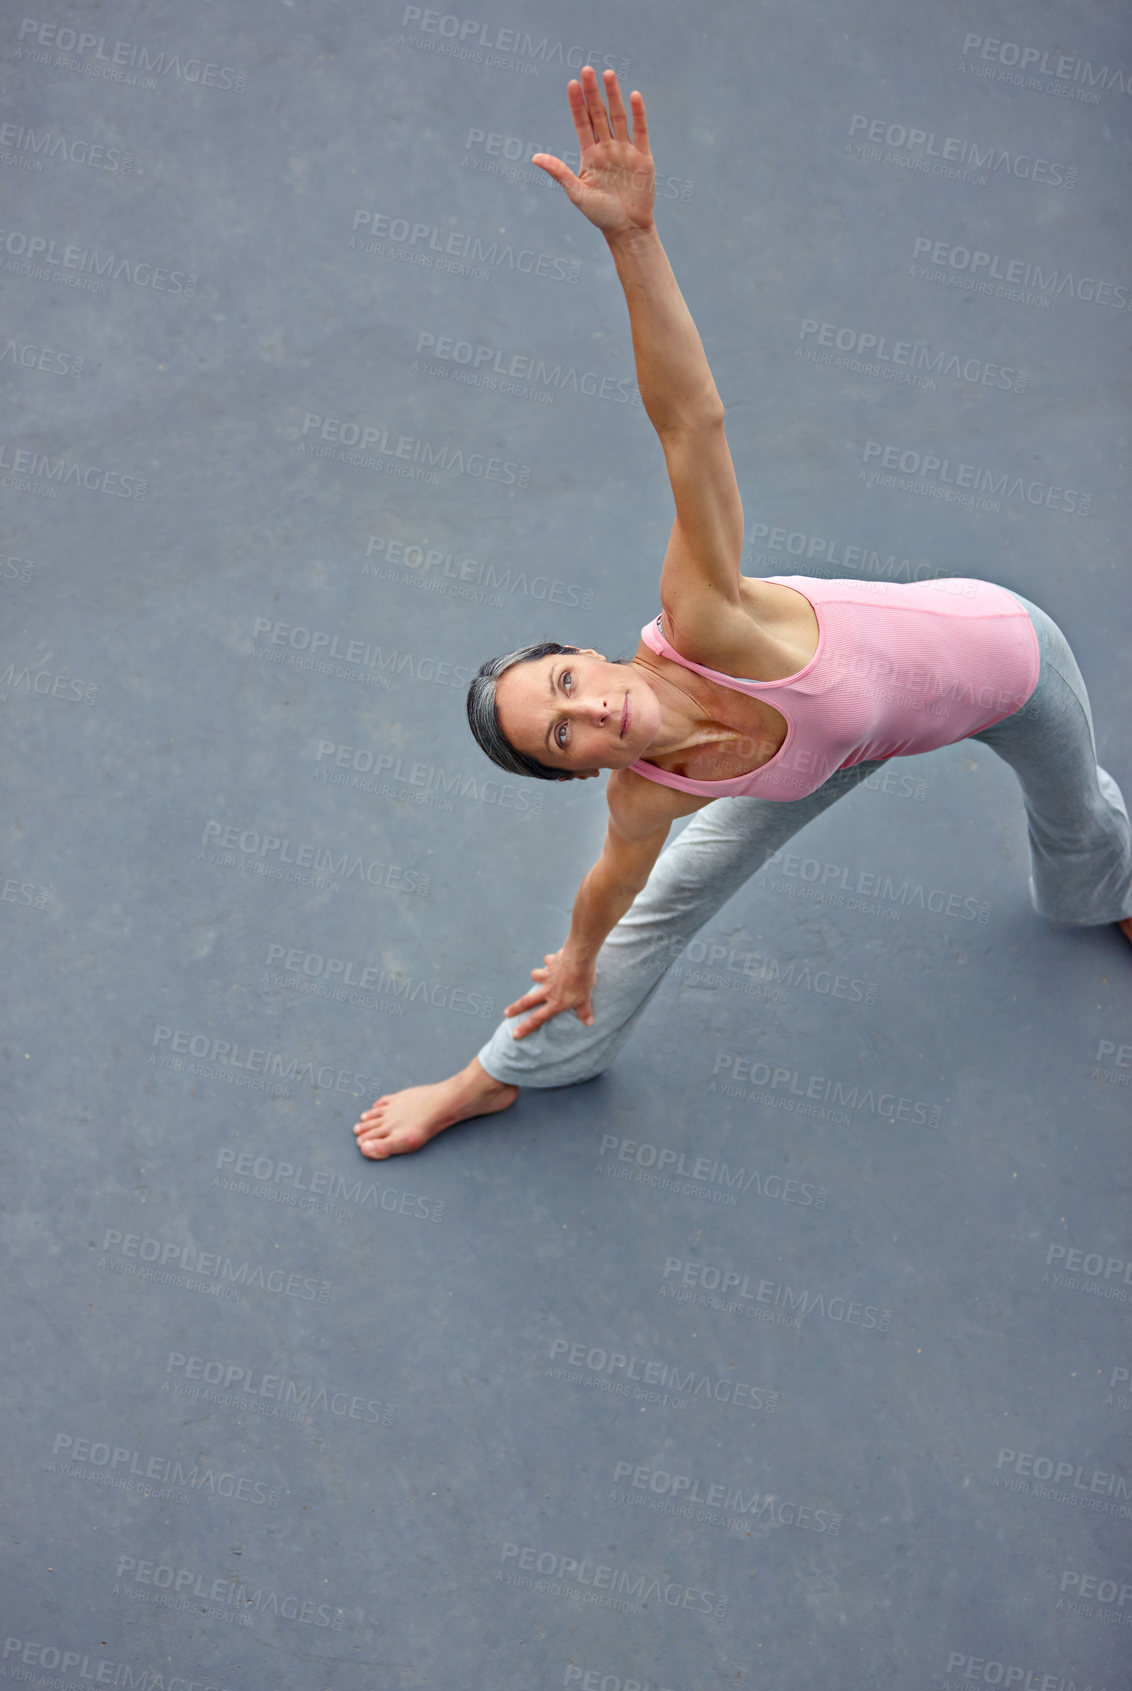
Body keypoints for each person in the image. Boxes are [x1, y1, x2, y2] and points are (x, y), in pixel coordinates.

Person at [354, 67, 1132, 1162]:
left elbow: (691, 423)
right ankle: (490, 1079)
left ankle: (1114, 887)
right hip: (837, 745)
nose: (589, 713)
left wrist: (630, 238)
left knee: (1079, 820)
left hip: (1006, 664)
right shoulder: (641, 793)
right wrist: (575, 958)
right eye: (560, 735)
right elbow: (606, 888)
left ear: (585, 654)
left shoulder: (706, 618)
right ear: (579, 773)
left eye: (566, 683)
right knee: (644, 919)